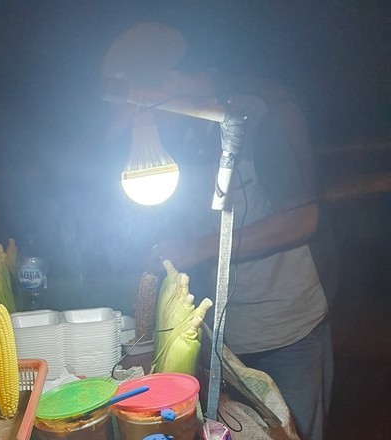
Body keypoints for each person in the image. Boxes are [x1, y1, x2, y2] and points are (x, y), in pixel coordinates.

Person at [102, 22, 333, 440]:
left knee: (292, 432)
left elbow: (303, 219)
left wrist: (198, 247)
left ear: (177, 80)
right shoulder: (180, 130)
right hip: (225, 336)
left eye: (150, 97)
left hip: (287, 332)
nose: (151, 111)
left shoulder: (262, 114)